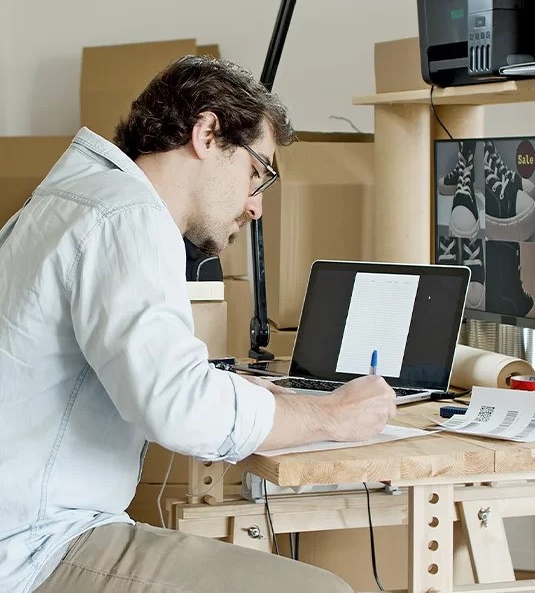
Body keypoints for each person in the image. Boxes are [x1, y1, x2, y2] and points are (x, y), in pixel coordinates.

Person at [0, 55, 396, 593]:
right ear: (207, 133)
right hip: (36, 548)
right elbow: (176, 405)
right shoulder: (128, 217)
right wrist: (328, 417)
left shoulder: (71, 201)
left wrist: (240, 394)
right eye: (257, 173)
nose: (256, 206)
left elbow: (142, 369)